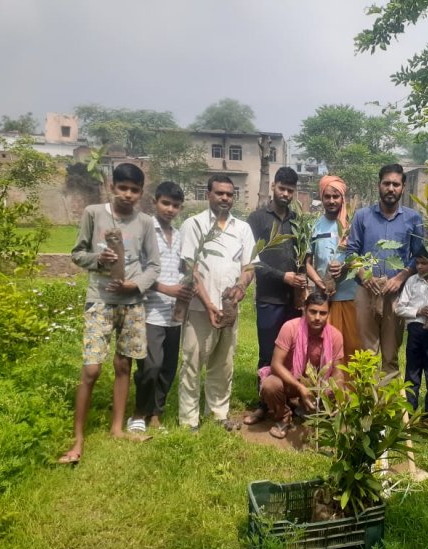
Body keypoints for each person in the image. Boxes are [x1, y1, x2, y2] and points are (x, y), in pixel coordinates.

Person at [58, 163, 160, 464]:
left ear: (141, 192)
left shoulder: (144, 222)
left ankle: (117, 428)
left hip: (131, 303)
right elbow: (77, 253)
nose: (127, 194)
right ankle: (78, 438)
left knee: (123, 365)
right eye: (123, 188)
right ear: (112, 186)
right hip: (99, 300)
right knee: (91, 369)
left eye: (134, 190)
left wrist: (134, 284)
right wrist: (98, 259)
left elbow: (152, 265)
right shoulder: (94, 213)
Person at [177, 174, 256, 431]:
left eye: (229, 194)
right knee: (192, 361)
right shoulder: (194, 225)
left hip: (229, 310)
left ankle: (218, 413)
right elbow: (191, 268)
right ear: (208, 194)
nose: (225, 198)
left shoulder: (242, 228)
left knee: (223, 363)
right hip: (200, 308)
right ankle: (189, 419)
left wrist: (241, 287)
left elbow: (249, 265)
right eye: (219, 193)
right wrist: (209, 303)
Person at [345, 164, 425, 379]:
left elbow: (419, 257)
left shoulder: (413, 219)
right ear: (378, 185)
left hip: (395, 293)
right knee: (366, 353)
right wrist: (364, 275)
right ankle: (366, 406)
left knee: (390, 354)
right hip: (366, 291)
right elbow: (351, 252)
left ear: (403, 187)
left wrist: (400, 278)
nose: (391, 188)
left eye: (395, 184)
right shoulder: (362, 216)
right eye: (386, 183)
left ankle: (387, 408)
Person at [126, 182, 191, 433]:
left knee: (167, 367)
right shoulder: (145, 231)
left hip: (175, 313)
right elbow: (135, 272)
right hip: (151, 309)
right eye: (166, 203)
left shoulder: (179, 235)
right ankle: (139, 413)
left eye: (175, 205)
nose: (170, 209)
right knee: (150, 365)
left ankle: (156, 413)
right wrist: (165, 289)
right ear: (155, 202)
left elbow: (181, 268)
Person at [244, 166, 304, 425]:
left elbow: (302, 258)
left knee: (290, 354)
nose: (286, 194)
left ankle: (287, 400)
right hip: (269, 299)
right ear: (274, 186)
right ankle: (263, 404)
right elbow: (252, 261)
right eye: (282, 188)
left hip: (293, 302)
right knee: (267, 354)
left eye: (291, 190)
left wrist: (299, 282)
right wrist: (283, 277)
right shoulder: (257, 219)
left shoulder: (297, 222)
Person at [260, 292, 344, 439]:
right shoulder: (290, 328)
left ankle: (306, 409)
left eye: (323, 313)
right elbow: (275, 365)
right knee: (270, 385)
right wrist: (300, 387)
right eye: (313, 312)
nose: (317, 317)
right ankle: (283, 417)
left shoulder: (335, 336)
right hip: (290, 382)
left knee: (340, 389)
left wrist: (333, 389)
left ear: (328, 314)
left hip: (316, 386)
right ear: (305, 309)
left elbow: (338, 371)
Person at [306, 175, 359, 363]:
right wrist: (320, 283)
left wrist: (345, 267)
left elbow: (359, 259)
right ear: (321, 198)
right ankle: (324, 390)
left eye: (335, 197)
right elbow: (307, 263)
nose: (331, 201)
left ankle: (350, 389)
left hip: (348, 295)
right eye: (327, 196)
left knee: (350, 345)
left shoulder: (352, 226)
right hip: (322, 298)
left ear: (342, 198)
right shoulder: (314, 226)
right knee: (323, 348)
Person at [394, 250, 428, 414]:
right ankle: (410, 413)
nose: (419, 266)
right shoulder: (412, 281)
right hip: (415, 332)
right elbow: (399, 308)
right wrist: (418, 311)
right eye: (417, 262)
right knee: (412, 374)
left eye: (424, 263)